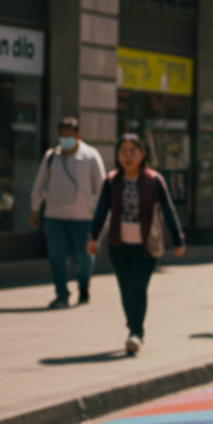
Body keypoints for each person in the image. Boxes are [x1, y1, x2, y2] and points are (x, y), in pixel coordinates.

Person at [86, 134, 186, 355]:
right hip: (118, 245)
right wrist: (93, 238)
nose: (128, 155)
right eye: (123, 151)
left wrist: (178, 239)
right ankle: (133, 328)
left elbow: (169, 210)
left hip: (146, 247)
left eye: (133, 151)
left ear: (142, 154)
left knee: (137, 288)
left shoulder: (154, 180)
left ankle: (136, 333)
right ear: (117, 155)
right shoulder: (112, 181)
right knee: (125, 290)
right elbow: (102, 211)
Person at [29, 115, 106, 309]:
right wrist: (34, 208)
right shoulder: (51, 157)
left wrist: (100, 214)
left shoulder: (90, 156)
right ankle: (61, 294)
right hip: (55, 217)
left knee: (83, 257)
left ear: (78, 135)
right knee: (57, 257)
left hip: (83, 217)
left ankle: (83, 286)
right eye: (62, 135)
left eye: (69, 134)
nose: (65, 139)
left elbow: (102, 187)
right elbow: (40, 184)